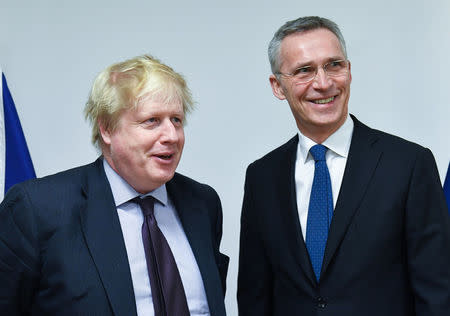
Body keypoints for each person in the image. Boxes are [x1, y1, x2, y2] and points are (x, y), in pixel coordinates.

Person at [237, 16, 450, 316]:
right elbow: (254, 298)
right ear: (277, 86)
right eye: (304, 71)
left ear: (349, 71)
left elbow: (438, 294)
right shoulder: (261, 177)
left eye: (333, 65)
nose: (323, 83)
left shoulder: (409, 165)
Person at [0, 55, 229, 316]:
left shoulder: (202, 203)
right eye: (152, 120)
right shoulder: (36, 209)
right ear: (107, 129)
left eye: (176, 120)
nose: (171, 136)